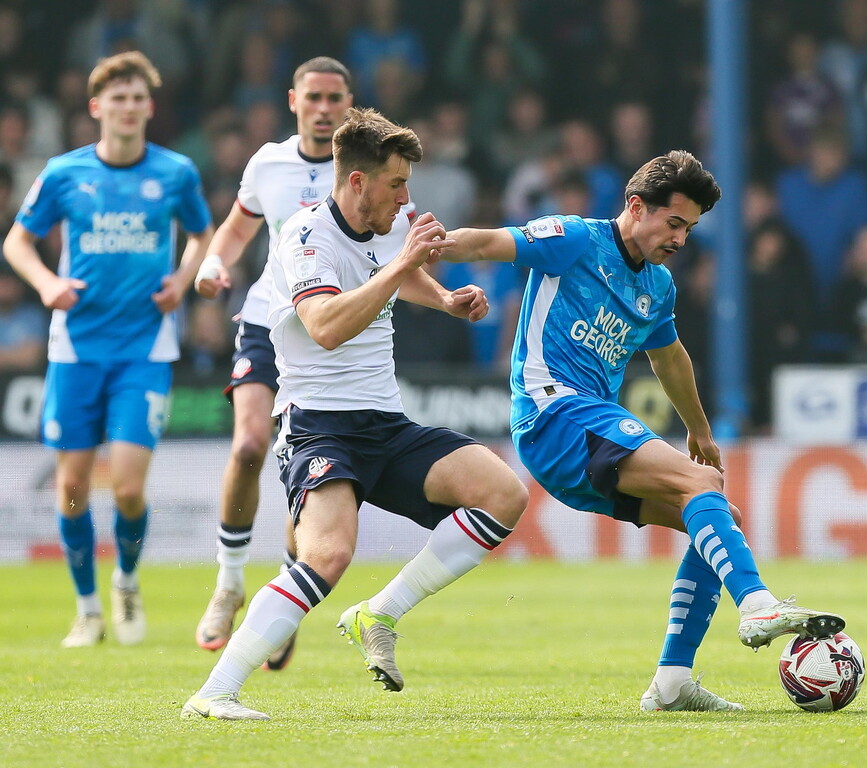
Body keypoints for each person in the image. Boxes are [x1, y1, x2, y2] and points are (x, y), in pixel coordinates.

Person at [434, 150, 845, 712]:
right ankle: (755, 604)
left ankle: (672, 682)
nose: (680, 238)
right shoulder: (574, 238)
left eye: (689, 228)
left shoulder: (658, 284)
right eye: (674, 222)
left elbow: (669, 358)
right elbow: (484, 244)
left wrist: (700, 431)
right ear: (636, 206)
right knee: (703, 487)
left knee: (718, 515)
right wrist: (420, 246)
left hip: (581, 438)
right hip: (554, 412)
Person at [181, 107, 528, 721]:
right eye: (397, 183)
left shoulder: (389, 228)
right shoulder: (305, 236)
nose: (406, 197)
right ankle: (214, 692)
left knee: (504, 494)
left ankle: (380, 613)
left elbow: (395, 273)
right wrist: (402, 265)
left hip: (385, 423)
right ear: (359, 181)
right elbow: (325, 326)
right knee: (327, 557)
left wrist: (445, 299)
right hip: (320, 427)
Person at [1, 51, 214, 647]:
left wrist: (183, 279)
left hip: (144, 349)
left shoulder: (176, 172)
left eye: (137, 98)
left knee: (126, 487)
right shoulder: (64, 173)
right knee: (71, 488)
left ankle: (125, 580)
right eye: (117, 98)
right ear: (97, 107)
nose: (128, 107)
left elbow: (203, 233)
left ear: (149, 107)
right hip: (75, 348)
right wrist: (46, 284)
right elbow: (17, 242)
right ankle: (87, 608)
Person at [190, 56, 354, 670]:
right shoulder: (268, 163)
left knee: (305, 474)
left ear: (349, 104)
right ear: (293, 101)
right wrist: (214, 264)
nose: (323, 108)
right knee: (248, 446)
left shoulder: (365, 167)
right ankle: (229, 583)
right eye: (314, 97)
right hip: (268, 320)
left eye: (334, 98)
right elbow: (235, 230)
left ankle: (283, 594)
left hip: (331, 334)